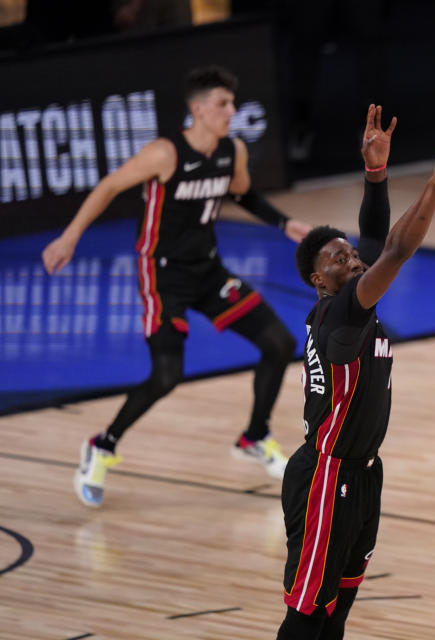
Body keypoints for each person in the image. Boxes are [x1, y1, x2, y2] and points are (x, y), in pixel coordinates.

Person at [41, 65, 312, 507]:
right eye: (223, 104)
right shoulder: (165, 154)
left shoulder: (232, 151)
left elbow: (243, 193)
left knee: (279, 343)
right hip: (163, 274)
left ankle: (254, 437)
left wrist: (284, 223)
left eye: (232, 103)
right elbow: (109, 185)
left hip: (209, 270)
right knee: (167, 375)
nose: (232, 110)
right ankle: (102, 445)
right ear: (198, 109)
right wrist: (70, 236)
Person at [277, 105, 435, 639]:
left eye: (349, 254)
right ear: (320, 282)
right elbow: (397, 248)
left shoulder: (349, 293)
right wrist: (434, 188)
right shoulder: (340, 314)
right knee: (306, 615)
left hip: (363, 474)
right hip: (326, 476)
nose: (352, 260)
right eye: (338, 260)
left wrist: (375, 174)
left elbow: (373, 236)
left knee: (337, 612)